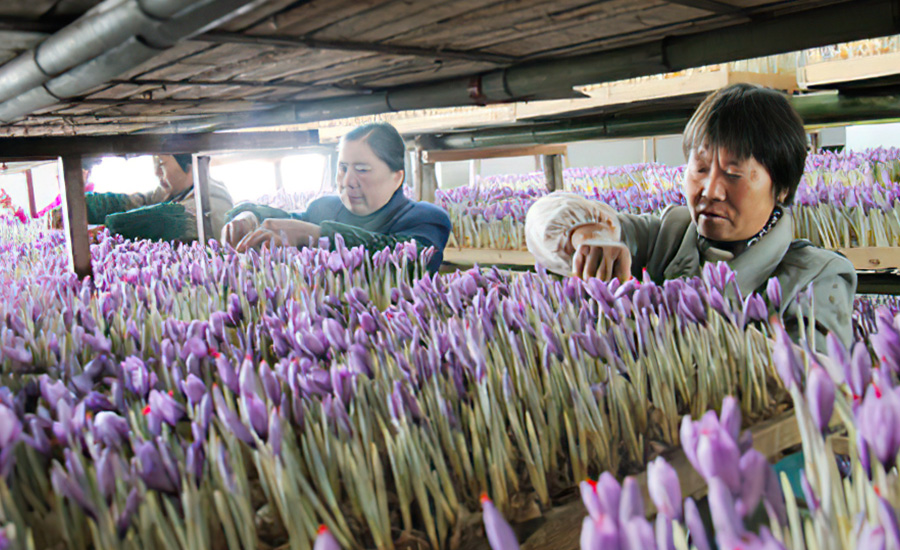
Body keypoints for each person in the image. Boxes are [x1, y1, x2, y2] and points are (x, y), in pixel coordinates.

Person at [525, 83, 856, 351]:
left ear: (782, 186)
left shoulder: (816, 276)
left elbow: (821, 378)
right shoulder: (668, 235)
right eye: (699, 168)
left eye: (733, 173)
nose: (710, 190)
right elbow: (543, 219)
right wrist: (588, 234)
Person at [222, 122, 451, 273]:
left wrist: (319, 235)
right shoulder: (325, 209)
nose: (348, 181)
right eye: (343, 168)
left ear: (396, 177)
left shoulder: (427, 218)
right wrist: (249, 216)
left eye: (362, 169)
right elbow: (288, 219)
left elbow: (406, 261)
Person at [86, 154, 233, 243]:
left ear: (190, 165)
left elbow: (171, 220)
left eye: (161, 164)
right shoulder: (169, 191)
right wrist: (85, 206)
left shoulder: (215, 198)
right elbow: (134, 203)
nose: (156, 172)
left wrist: (110, 229)